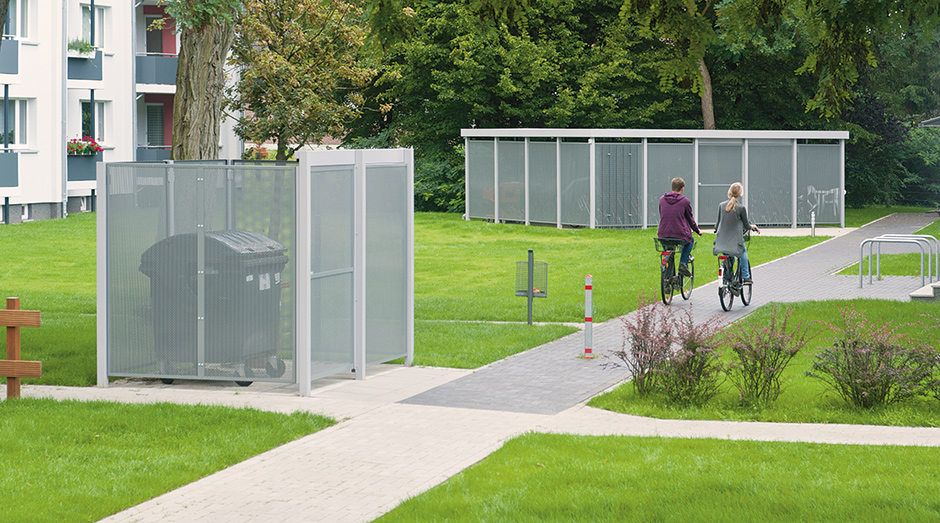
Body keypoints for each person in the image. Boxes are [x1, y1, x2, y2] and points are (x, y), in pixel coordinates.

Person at [713, 182, 760, 283]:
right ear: (740, 194)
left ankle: (727, 278)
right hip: (735, 241)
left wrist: (716, 230)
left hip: (721, 241)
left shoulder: (721, 206)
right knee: (743, 252)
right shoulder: (741, 208)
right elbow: (746, 225)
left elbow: (717, 224)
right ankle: (746, 276)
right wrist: (753, 227)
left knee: (728, 257)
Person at [658, 177, 702, 277]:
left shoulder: (662, 200)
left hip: (663, 234)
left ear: (671, 187)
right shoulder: (685, 202)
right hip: (679, 235)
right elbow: (690, 219)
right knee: (690, 241)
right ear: (682, 188)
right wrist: (697, 230)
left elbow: (662, 215)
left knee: (668, 251)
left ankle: (667, 279)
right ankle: (683, 264)